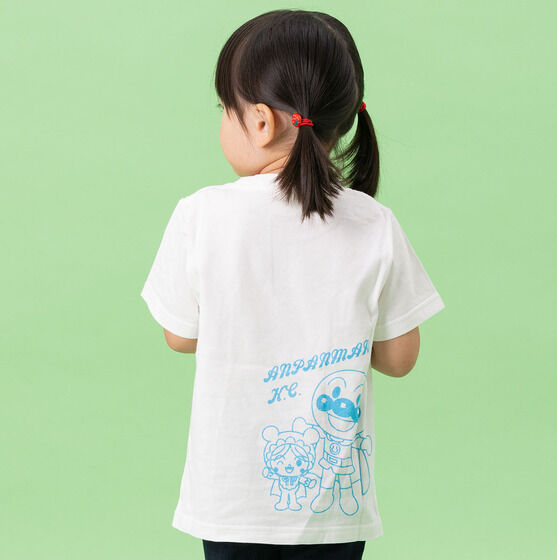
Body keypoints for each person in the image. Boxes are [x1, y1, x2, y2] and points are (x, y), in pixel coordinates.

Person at [140, 9, 445, 560]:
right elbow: (400, 358)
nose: (221, 123)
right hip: (332, 511)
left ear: (261, 122)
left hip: (231, 503)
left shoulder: (201, 215)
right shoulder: (373, 222)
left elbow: (179, 335)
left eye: (224, 109)